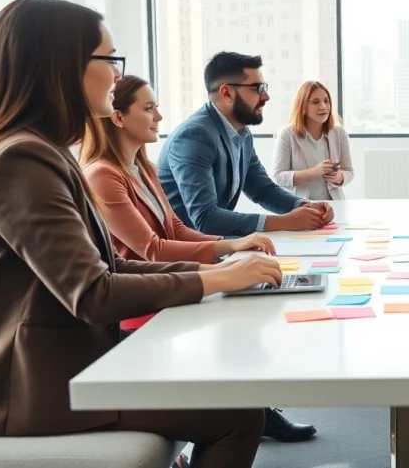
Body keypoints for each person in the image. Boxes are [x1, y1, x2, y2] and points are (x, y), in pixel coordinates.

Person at [0, 0, 284, 468]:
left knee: (224, 386)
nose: (118, 75)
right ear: (61, 66)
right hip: (32, 388)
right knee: (239, 415)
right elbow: (93, 293)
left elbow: (110, 265)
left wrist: (222, 269)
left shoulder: (41, 152)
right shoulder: (21, 161)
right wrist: (217, 279)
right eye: (110, 59)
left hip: (63, 366)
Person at [79, 74, 317, 444]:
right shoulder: (102, 175)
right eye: (148, 108)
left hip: (167, 293)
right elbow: (153, 248)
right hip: (138, 312)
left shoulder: (141, 167)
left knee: (251, 304)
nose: (159, 116)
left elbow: (175, 228)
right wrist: (225, 262)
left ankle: (256, 408)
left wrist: (231, 246)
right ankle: (251, 411)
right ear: (118, 117)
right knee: (239, 319)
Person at [158, 51, 334, 236]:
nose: (266, 96)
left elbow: (262, 189)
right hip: (188, 256)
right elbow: (205, 218)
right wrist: (284, 222)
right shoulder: (194, 136)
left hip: (217, 247)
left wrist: (305, 207)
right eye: (257, 88)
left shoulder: (242, 133)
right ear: (227, 93)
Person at [272, 80, 353, 201]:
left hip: (334, 204)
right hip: (300, 205)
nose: (323, 107)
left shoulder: (339, 133)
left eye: (326, 101)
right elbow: (277, 177)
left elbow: (349, 171)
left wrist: (339, 177)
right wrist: (315, 172)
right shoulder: (287, 135)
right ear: (303, 107)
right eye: (315, 102)